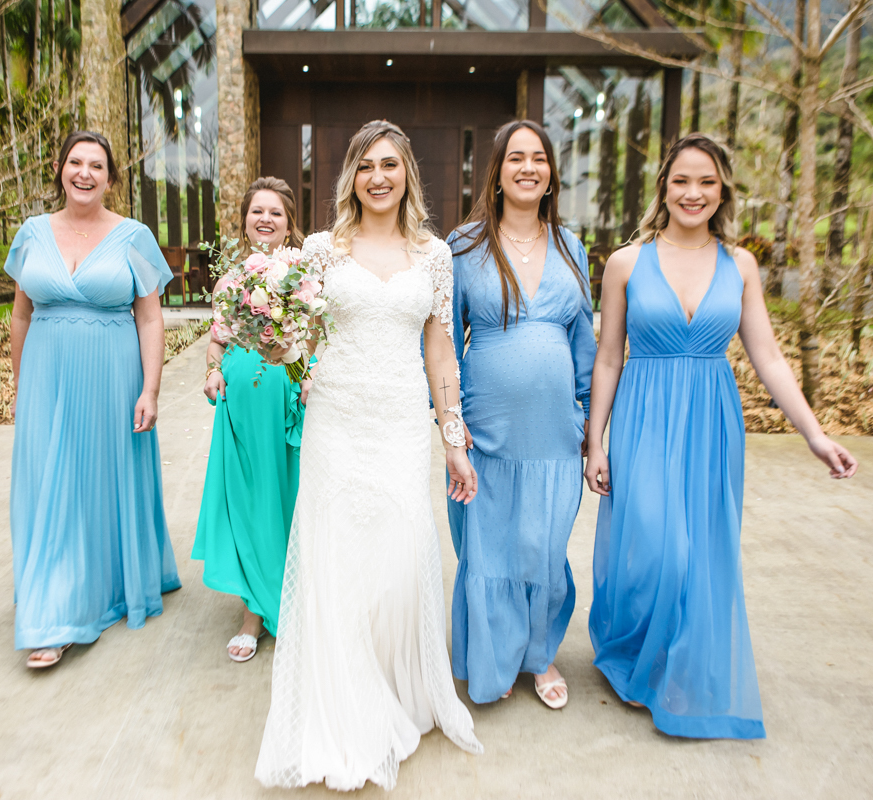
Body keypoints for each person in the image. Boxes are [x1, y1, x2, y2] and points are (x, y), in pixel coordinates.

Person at [585, 133, 857, 738]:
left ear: (723, 190)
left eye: (706, 182)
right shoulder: (627, 262)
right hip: (643, 417)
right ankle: (634, 648)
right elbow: (607, 357)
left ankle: (675, 668)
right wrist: (595, 440)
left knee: (698, 553)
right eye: (682, 180)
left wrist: (814, 435)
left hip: (711, 422)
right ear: (664, 186)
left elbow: (769, 358)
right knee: (657, 547)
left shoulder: (741, 265)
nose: (693, 193)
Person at [255, 120, 483, 791]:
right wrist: (275, 343)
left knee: (397, 562)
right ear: (350, 176)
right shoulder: (321, 250)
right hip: (337, 420)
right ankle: (345, 707)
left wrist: (452, 438)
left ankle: (390, 684)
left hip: (400, 424)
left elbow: (441, 353)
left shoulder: (435, 255)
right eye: (365, 165)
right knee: (337, 558)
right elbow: (297, 339)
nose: (378, 177)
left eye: (389, 164)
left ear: (408, 172)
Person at [6, 131, 180, 669]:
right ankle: (54, 609)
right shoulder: (32, 233)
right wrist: (21, 385)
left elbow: (149, 318)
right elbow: (21, 314)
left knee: (100, 481)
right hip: (46, 378)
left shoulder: (134, 236)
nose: (85, 173)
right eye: (76, 162)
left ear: (110, 178)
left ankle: (99, 586)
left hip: (112, 377)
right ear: (60, 169)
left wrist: (150, 388)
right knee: (50, 484)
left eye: (97, 165)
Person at [446, 120, 596, 710]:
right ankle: (496, 653)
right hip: (486, 429)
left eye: (539, 158)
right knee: (489, 546)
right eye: (516, 157)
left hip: (555, 431)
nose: (528, 167)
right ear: (497, 172)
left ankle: (539, 653)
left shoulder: (571, 247)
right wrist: (450, 422)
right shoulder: (464, 245)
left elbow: (584, 341)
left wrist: (589, 423)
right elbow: (440, 342)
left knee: (543, 546)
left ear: (551, 173)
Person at [193, 177, 308, 663]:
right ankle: (253, 615)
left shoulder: (305, 277)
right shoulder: (230, 280)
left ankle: (296, 600)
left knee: (290, 498)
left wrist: (307, 376)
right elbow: (217, 341)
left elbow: (316, 339)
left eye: (275, 212)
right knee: (249, 501)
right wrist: (212, 371)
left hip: (289, 395)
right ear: (244, 221)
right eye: (257, 211)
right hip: (241, 402)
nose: (265, 219)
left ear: (289, 223)